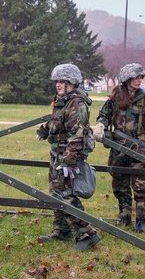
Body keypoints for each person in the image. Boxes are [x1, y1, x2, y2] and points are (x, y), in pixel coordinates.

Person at [93, 63, 145, 233]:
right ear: (127, 78)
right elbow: (104, 115)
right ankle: (124, 216)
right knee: (119, 183)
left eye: (141, 77)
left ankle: (141, 220)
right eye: (136, 77)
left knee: (139, 185)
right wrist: (100, 126)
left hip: (138, 148)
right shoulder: (116, 97)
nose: (140, 81)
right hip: (117, 147)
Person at [35, 63, 101, 252]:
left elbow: (77, 133)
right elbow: (58, 121)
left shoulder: (77, 103)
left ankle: (87, 234)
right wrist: (45, 129)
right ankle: (62, 230)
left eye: (62, 81)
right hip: (58, 154)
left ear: (72, 82)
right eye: (57, 81)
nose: (58, 84)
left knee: (65, 194)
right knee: (55, 192)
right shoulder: (62, 100)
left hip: (68, 156)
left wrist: (69, 160)